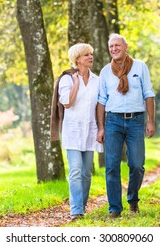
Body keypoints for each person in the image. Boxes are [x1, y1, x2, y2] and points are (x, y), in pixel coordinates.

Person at [96, 33, 156, 218]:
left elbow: (148, 94)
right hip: (113, 121)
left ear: (126, 47)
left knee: (137, 164)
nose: (114, 49)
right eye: (111, 46)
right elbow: (101, 101)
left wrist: (150, 121)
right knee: (112, 165)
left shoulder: (140, 66)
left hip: (136, 120)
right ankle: (114, 208)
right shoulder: (105, 71)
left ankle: (133, 199)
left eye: (117, 45)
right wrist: (101, 127)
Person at [55, 43, 103, 220]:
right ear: (77, 59)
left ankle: (81, 205)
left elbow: (100, 106)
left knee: (86, 173)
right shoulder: (66, 79)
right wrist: (76, 84)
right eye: (86, 55)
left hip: (90, 130)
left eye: (91, 54)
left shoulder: (97, 80)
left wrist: (101, 128)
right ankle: (76, 211)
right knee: (75, 170)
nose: (90, 57)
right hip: (73, 131)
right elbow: (67, 102)